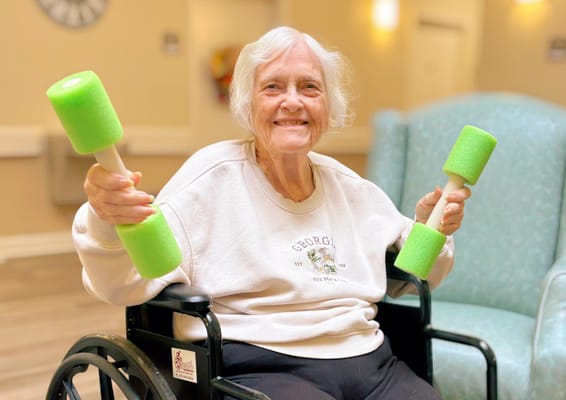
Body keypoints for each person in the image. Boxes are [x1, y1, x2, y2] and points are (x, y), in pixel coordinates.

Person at [74, 26, 471, 400]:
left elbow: (416, 274)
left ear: (328, 106)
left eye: (310, 87)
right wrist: (107, 216)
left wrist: (429, 226)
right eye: (273, 87)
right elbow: (126, 278)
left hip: (371, 360)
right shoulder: (211, 177)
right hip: (260, 365)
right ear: (249, 104)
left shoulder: (350, 188)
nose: (293, 101)